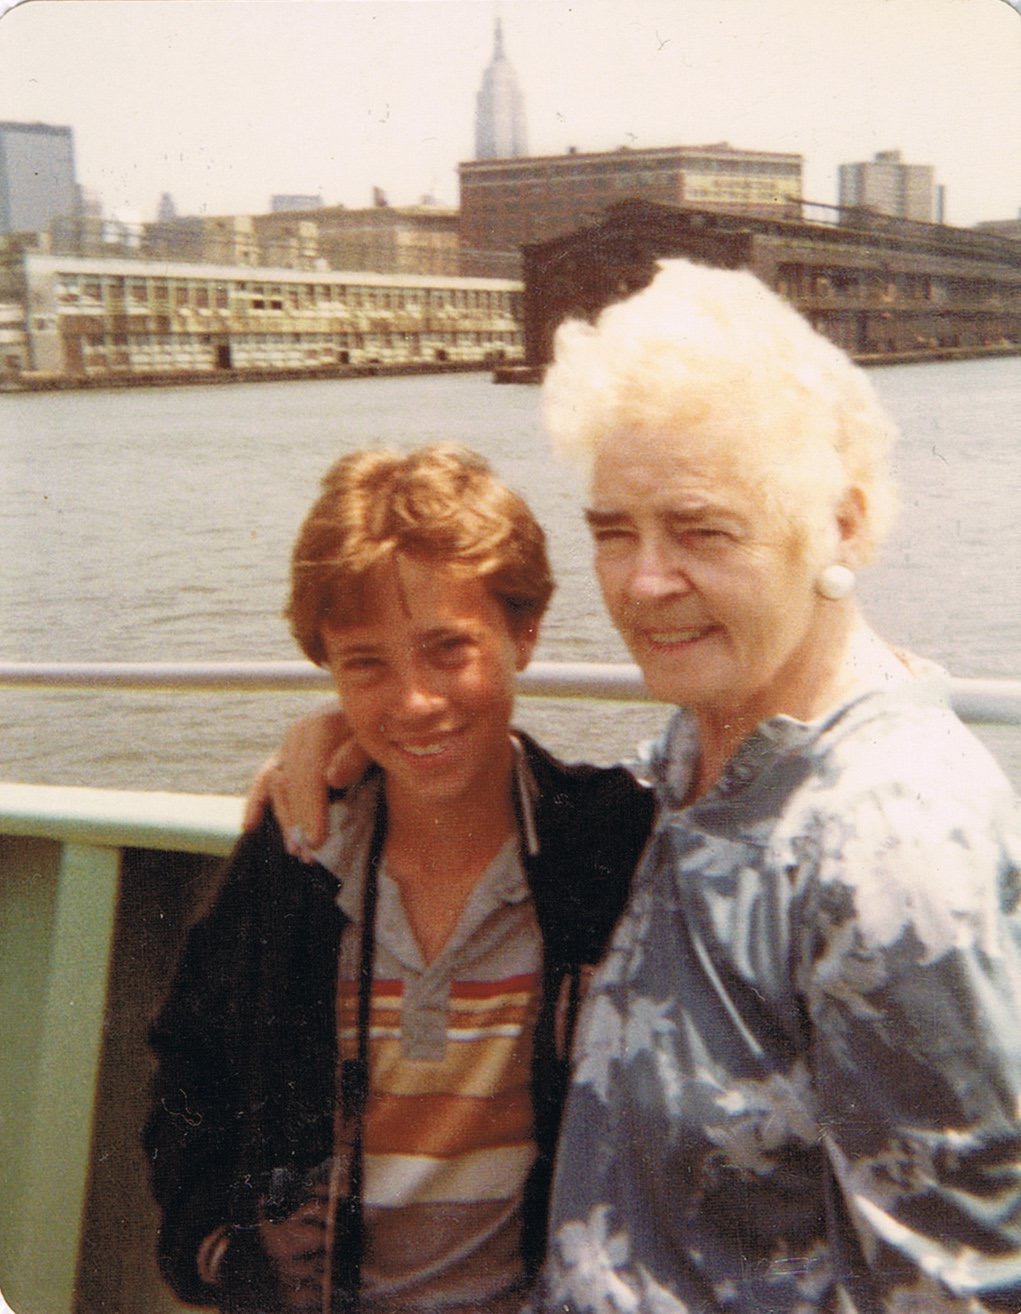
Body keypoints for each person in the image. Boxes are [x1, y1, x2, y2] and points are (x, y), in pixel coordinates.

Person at [255, 261, 1021, 1312]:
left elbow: (956, 1285)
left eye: (700, 530)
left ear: (839, 527)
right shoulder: (699, 766)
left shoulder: (891, 843)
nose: (642, 584)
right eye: (614, 530)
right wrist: (352, 728)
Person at [144, 445, 654, 1314]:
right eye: (366, 664)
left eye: (447, 649)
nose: (414, 701)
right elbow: (189, 1067)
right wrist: (221, 1254)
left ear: (524, 634)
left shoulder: (602, 844)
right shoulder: (297, 860)